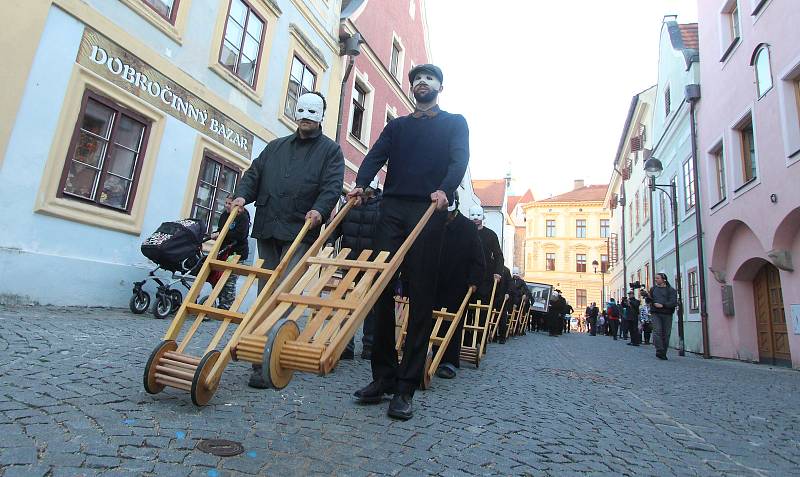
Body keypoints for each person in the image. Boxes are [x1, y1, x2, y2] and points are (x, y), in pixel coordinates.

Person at [349, 63, 469, 420]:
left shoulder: (454, 122)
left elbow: (458, 159)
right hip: (392, 208)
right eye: (416, 79)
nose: (421, 82)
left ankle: (406, 386)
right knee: (380, 289)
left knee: (420, 294)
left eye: (429, 78)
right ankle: (383, 377)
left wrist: (446, 190)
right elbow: (374, 156)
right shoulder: (397, 126)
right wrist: (363, 181)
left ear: (440, 87)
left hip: (428, 208)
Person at [232, 91, 344, 388]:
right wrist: (242, 196)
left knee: (284, 293)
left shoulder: (330, 151)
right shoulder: (275, 147)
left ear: (320, 115)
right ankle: (257, 353)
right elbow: (254, 174)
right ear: (296, 112)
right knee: (265, 291)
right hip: (269, 224)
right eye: (302, 110)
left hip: (299, 228)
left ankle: (272, 355)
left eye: (313, 111)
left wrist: (320, 210)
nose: (306, 116)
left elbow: (332, 187)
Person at [433, 192, 484, 379]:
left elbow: (478, 259)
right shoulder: (433, 221)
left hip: (457, 284)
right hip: (433, 280)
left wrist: (474, 281)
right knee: (428, 319)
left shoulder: (468, 228)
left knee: (452, 323)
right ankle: (428, 354)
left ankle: (449, 361)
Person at [329, 179, 382, 360]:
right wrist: (329, 245)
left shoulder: (383, 207)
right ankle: (346, 344)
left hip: (373, 264)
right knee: (346, 303)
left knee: (371, 305)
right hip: (350, 260)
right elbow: (335, 227)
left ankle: (370, 344)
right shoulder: (350, 204)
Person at [210, 195, 251, 310]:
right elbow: (220, 229)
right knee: (216, 278)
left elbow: (240, 235)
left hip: (237, 253)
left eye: (230, 203)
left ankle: (227, 306)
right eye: (226, 203)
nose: (227, 206)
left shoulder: (242, 216)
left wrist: (222, 234)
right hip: (223, 252)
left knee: (229, 280)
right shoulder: (224, 215)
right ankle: (217, 301)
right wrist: (216, 234)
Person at [644, 273, 678, 360]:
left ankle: (663, 352)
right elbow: (649, 300)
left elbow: (673, 302)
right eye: (655, 278)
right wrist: (647, 298)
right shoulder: (653, 289)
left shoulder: (671, 290)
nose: (656, 280)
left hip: (667, 313)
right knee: (657, 331)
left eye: (658, 278)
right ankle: (659, 350)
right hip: (655, 313)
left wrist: (663, 305)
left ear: (664, 279)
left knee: (666, 334)